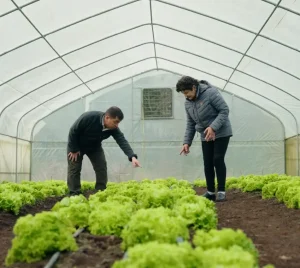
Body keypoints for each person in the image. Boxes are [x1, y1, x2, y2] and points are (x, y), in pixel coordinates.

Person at [176, 76, 232, 202]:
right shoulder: (188, 103)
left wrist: (213, 127)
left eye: (187, 92)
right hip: (205, 134)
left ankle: (221, 191)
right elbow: (191, 123)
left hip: (221, 131)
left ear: (194, 87)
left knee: (217, 159)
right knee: (207, 162)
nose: (185, 96)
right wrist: (186, 142)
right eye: (183, 94)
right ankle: (211, 192)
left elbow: (224, 110)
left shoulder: (210, 93)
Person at [67, 106, 141, 195]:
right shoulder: (89, 117)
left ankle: (100, 190)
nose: (117, 125)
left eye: (118, 123)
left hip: (94, 147)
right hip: (77, 146)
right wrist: (74, 149)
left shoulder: (113, 128)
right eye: (115, 122)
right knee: (74, 168)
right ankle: (74, 193)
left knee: (101, 167)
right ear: (107, 118)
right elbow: (73, 131)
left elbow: (121, 140)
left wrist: (132, 156)